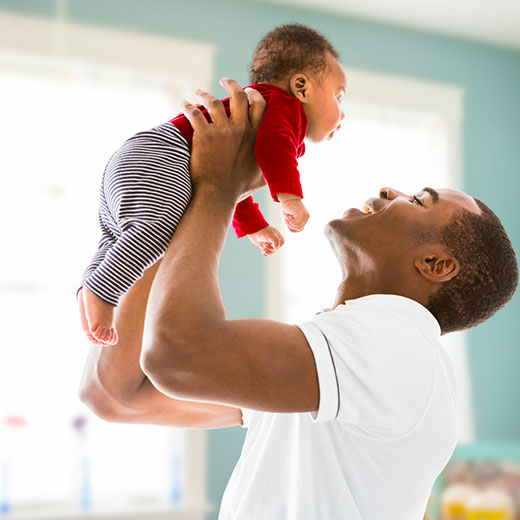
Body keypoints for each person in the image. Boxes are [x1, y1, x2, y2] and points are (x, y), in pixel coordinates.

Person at [79, 79, 518, 520]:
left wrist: (217, 185)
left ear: (436, 265)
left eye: (420, 201)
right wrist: (166, 202)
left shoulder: (396, 347)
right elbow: (114, 394)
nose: (390, 191)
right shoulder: (332, 370)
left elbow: (179, 355)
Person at [79, 23, 346, 346]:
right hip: (166, 154)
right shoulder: (286, 109)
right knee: (154, 232)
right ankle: (102, 292)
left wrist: (254, 226)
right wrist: (290, 198)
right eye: (339, 96)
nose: (342, 114)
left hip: (142, 154)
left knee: (115, 235)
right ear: (301, 87)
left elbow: (234, 176)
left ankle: (89, 286)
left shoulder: (261, 110)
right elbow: (275, 146)